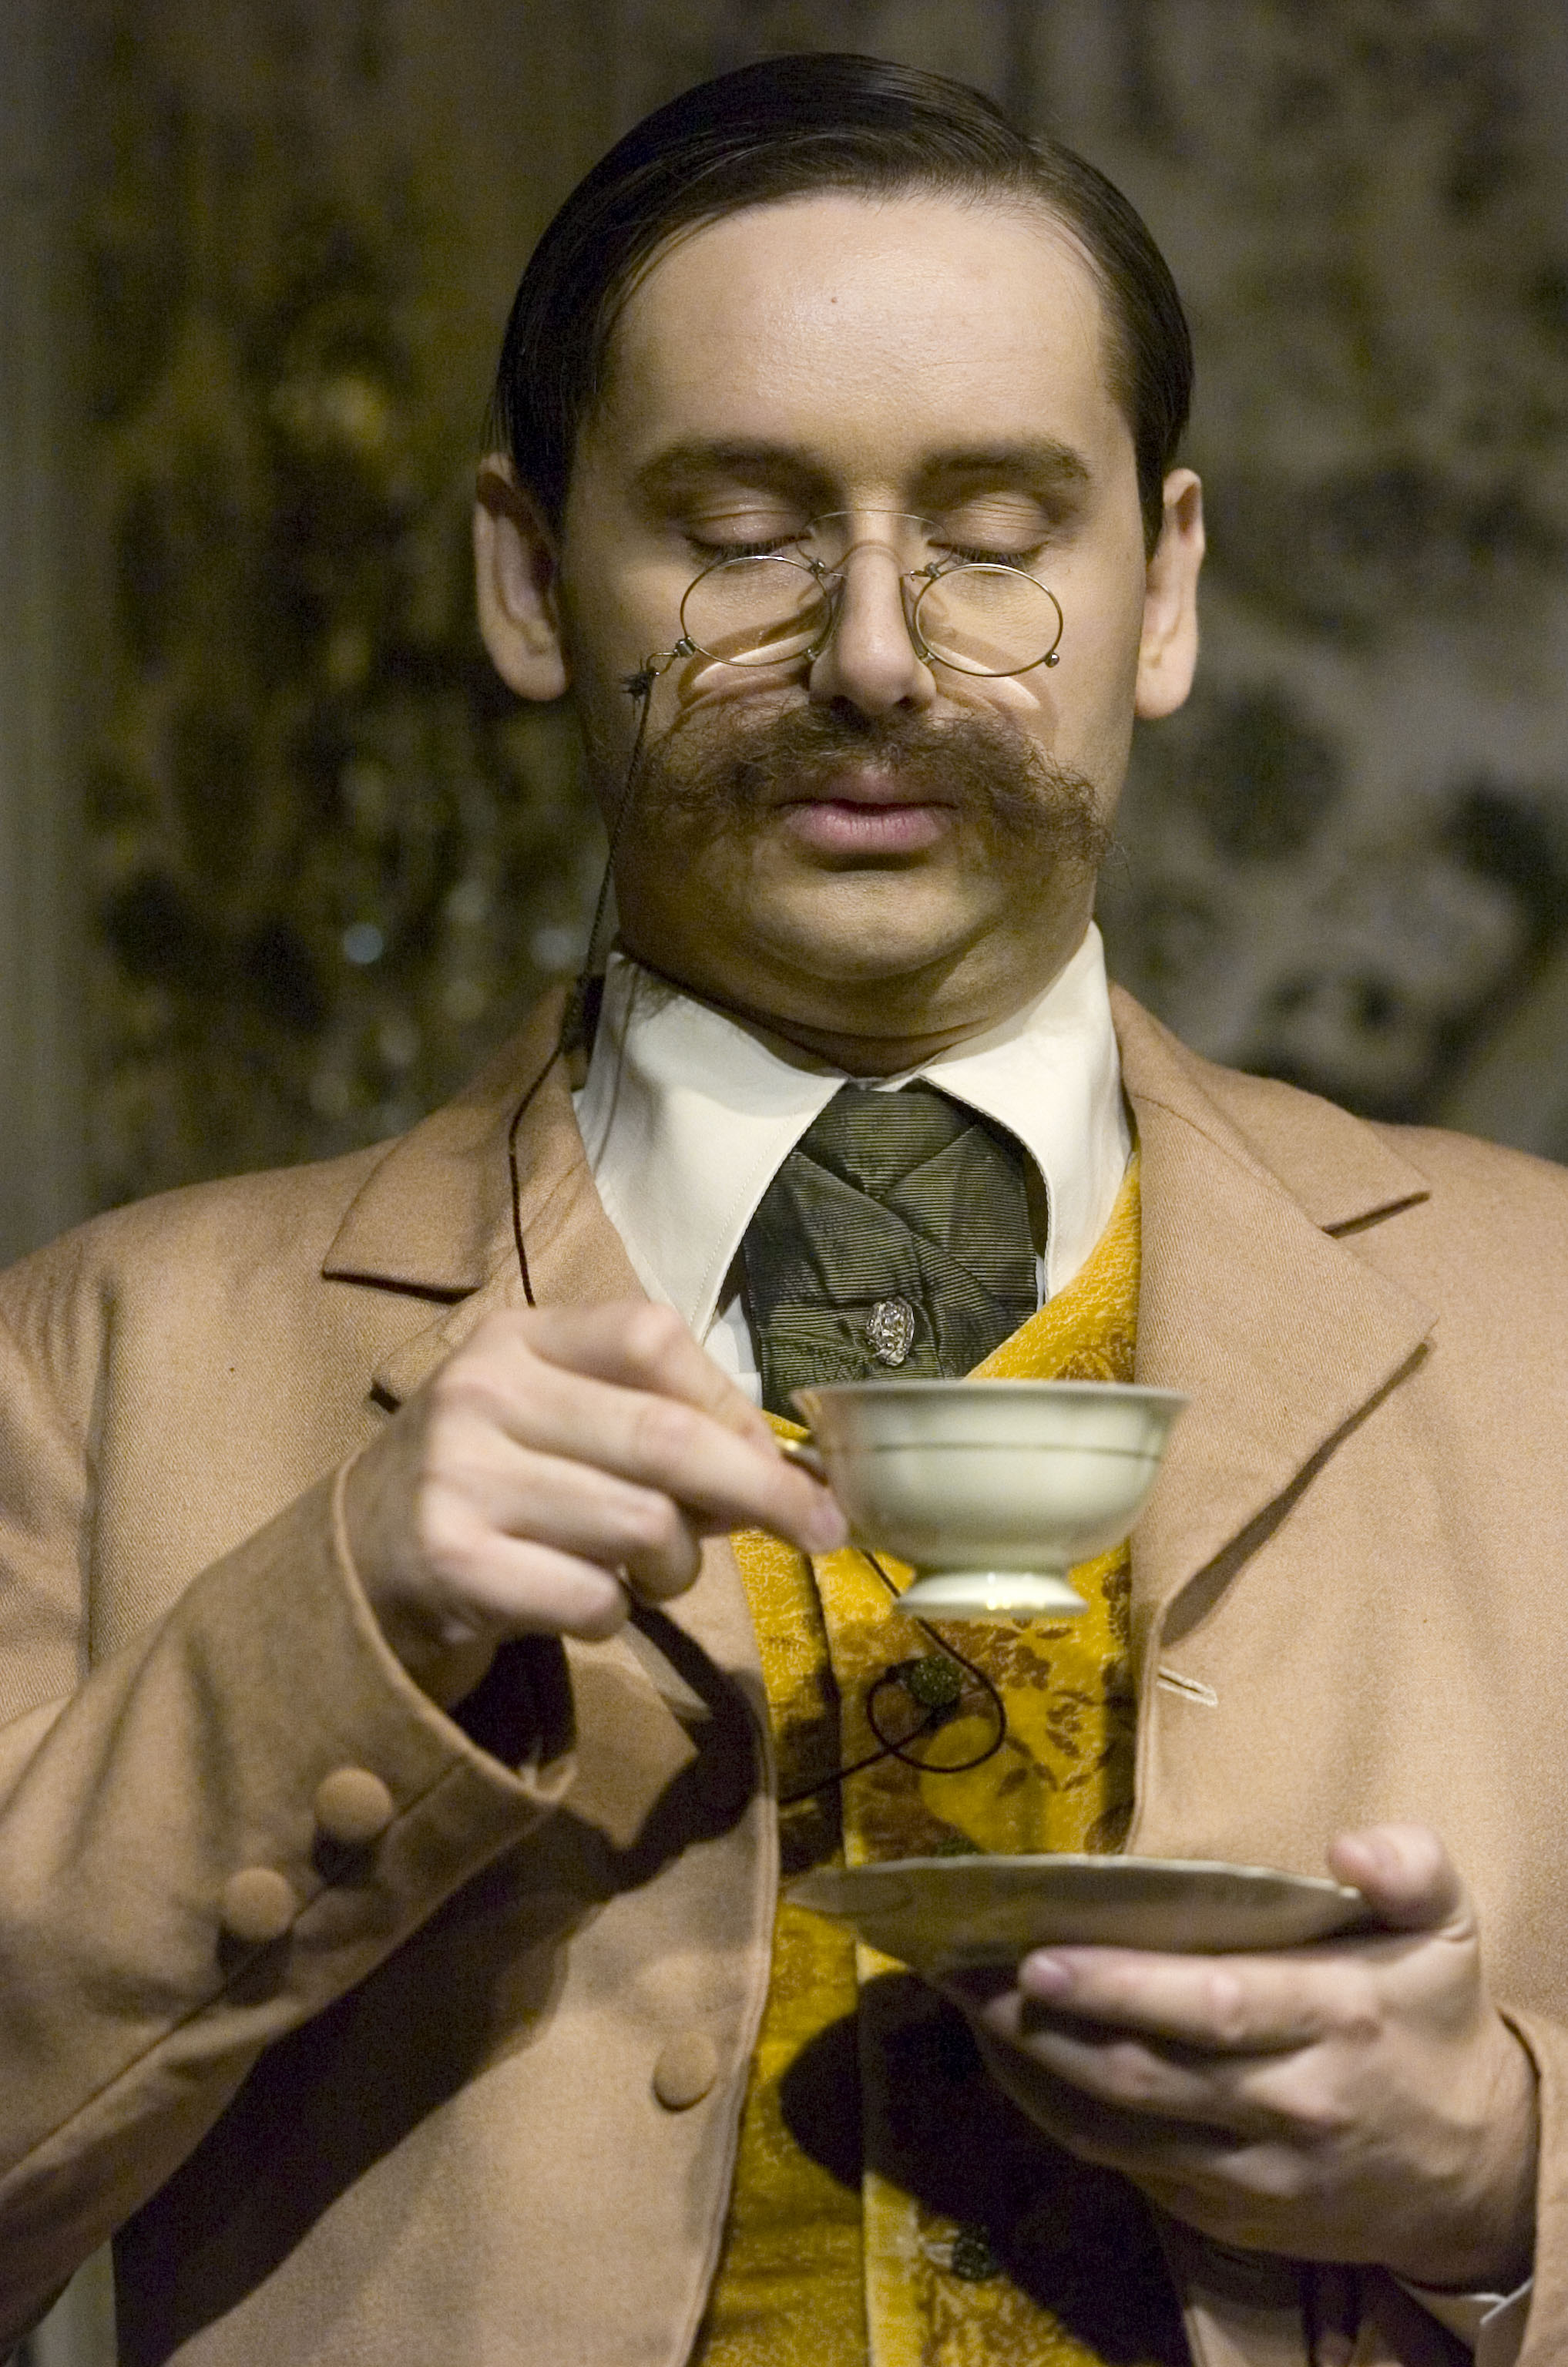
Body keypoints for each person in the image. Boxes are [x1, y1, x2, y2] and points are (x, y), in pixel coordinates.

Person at [2, 52, 1566, 2367]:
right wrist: (326, 1634)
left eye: (998, 534)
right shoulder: (107, 1364)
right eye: (738, 528)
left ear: (1162, 591)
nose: (873, 655)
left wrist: (1504, 2170)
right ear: (530, 580)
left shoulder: (1546, 1326)